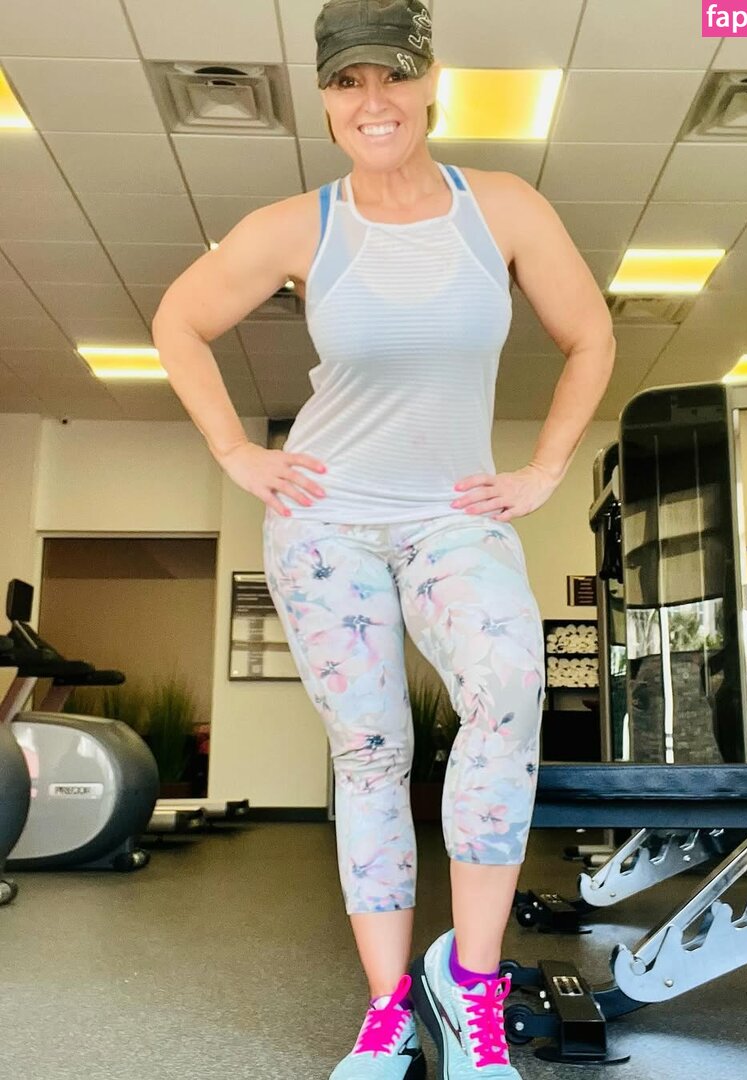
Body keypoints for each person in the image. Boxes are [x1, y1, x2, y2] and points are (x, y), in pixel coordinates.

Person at [152, 0, 615, 1074]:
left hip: (453, 516)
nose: (374, 101)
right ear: (324, 97)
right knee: (370, 753)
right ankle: (387, 1006)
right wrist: (235, 451)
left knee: (509, 682)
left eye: (393, 76)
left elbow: (590, 334)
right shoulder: (298, 225)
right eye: (349, 81)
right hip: (327, 523)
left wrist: (545, 469)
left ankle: (471, 985)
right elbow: (179, 320)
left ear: (431, 82)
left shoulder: (501, 208)